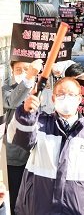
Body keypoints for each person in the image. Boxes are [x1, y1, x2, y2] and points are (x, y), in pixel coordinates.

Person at [7, 77, 84, 214]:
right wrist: (25, 113)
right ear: (53, 98)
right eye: (61, 94)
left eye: (71, 94)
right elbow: (15, 137)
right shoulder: (39, 124)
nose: (66, 98)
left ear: (79, 99)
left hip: (76, 209)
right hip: (38, 207)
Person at [2, 59, 42, 213]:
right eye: (18, 70)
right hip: (15, 156)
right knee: (15, 196)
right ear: (11, 72)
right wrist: (28, 78)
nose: (23, 72)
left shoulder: (46, 92)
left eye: (27, 69)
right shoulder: (6, 90)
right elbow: (12, 102)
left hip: (40, 156)